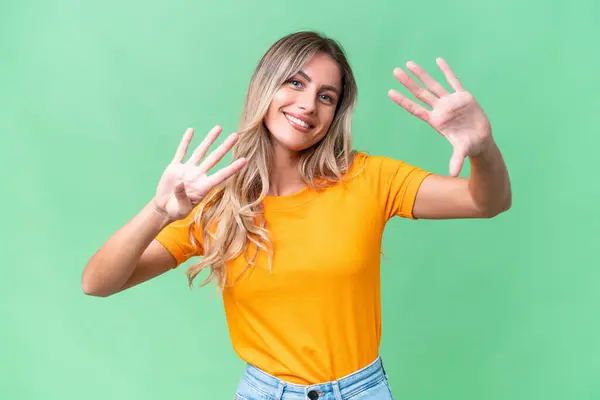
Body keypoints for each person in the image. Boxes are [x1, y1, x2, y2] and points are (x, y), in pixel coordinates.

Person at [82, 31, 511, 399]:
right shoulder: (218, 205)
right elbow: (98, 283)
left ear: (335, 114)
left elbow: (486, 202)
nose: (308, 105)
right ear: (264, 88)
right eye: (295, 83)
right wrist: (159, 211)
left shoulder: (370, 178)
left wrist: (483, 149)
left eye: (327, 97)